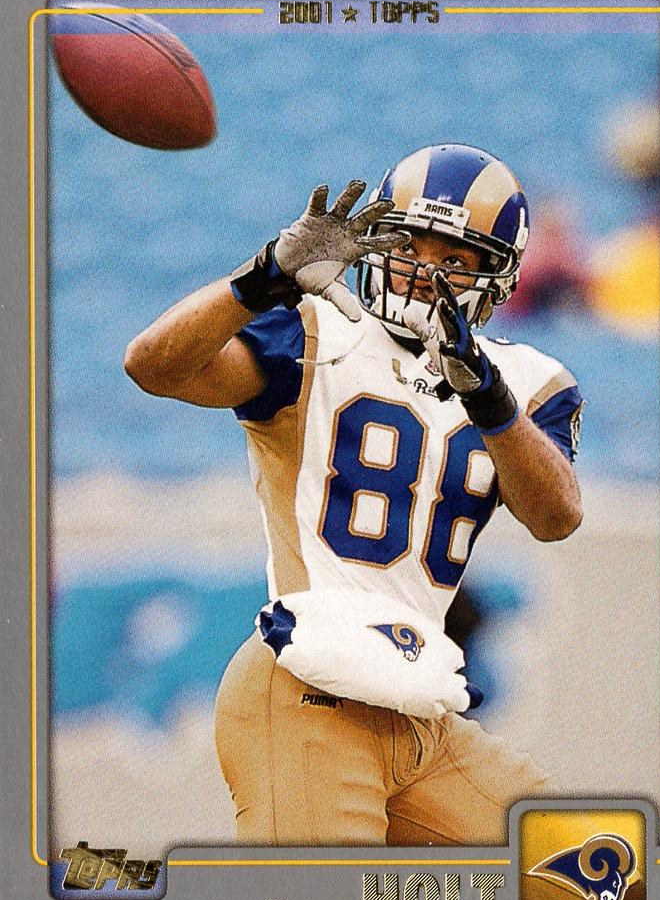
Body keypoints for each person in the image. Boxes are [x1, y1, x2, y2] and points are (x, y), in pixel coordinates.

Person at [125, 143, 584, 847]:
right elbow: (153, 366)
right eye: (410, 246)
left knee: (594, 885)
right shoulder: (315, 332)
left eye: (455, 258)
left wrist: (487, 397)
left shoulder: (526, 382)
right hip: (308, 690)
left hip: (422, 714)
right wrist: (261, 279)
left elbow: (556, 516)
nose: (425, 271)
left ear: (497, 279)